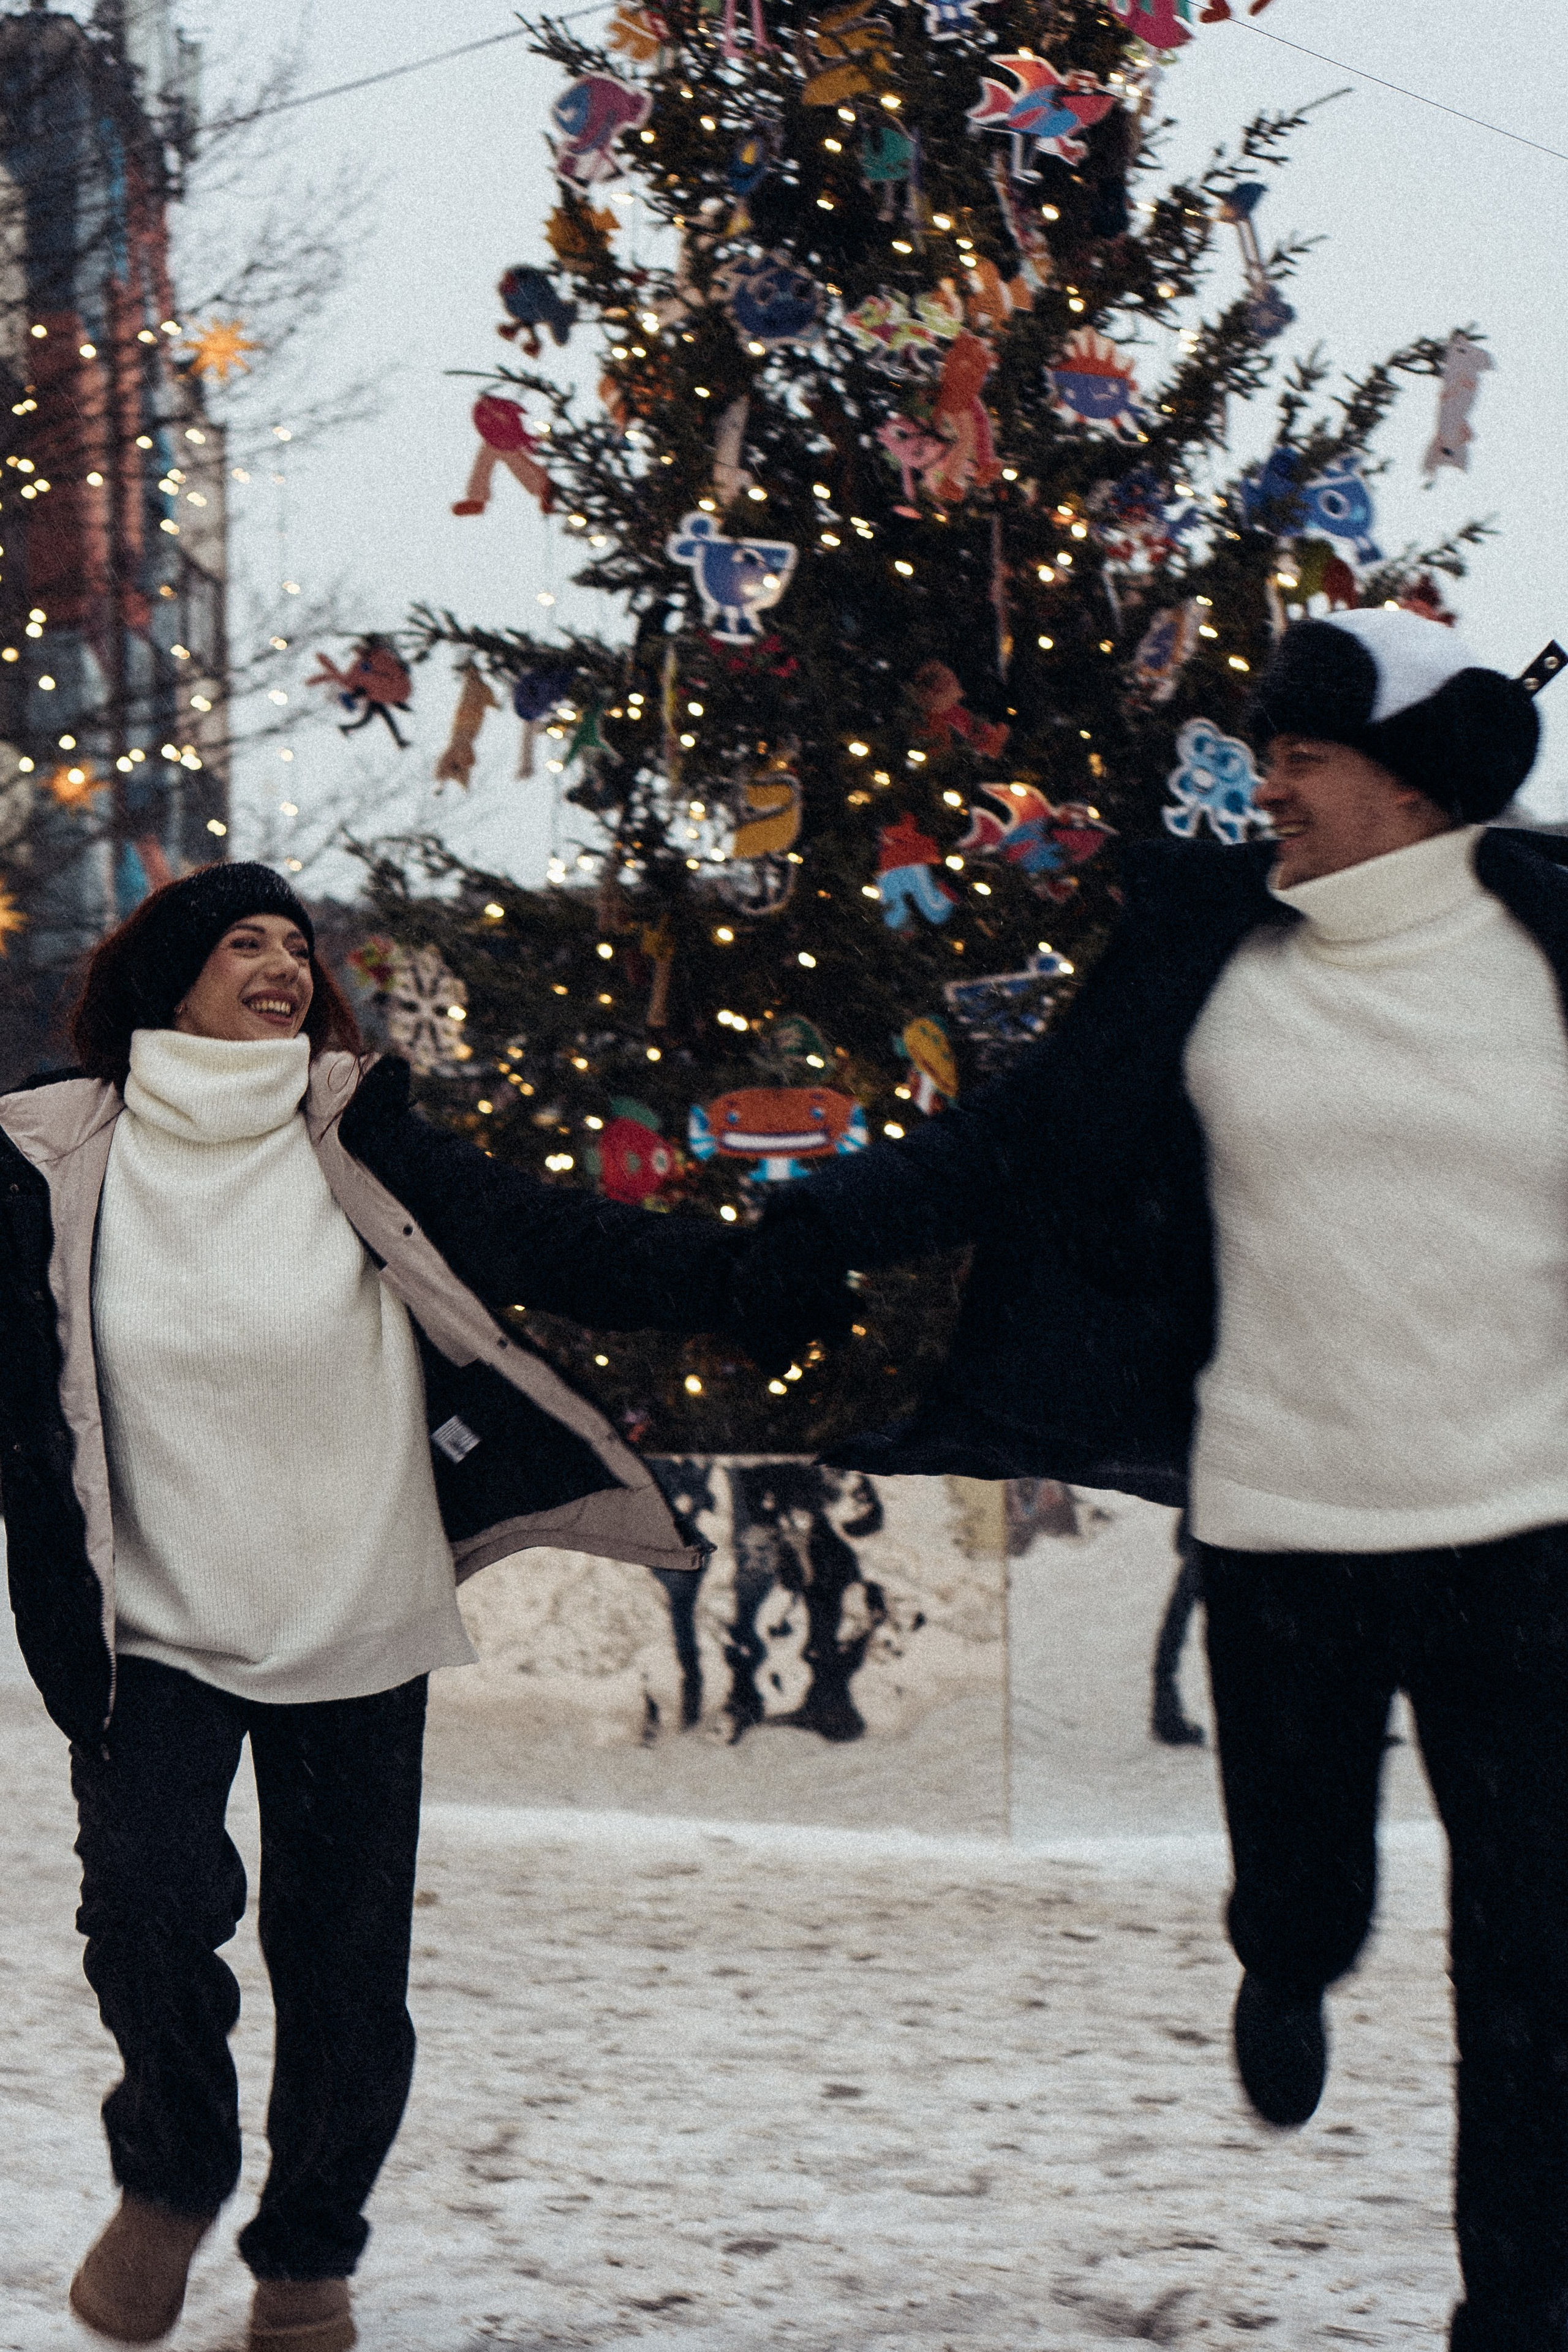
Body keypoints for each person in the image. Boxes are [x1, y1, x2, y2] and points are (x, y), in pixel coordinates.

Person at [739, 608, 1568, 2352]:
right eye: (1266, 756)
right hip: (1283, 1524)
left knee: (1536, 1962)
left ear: (1416, 791)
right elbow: (1020, 1144)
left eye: (1304, 760)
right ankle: (1286, 1950)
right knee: (1306, 1885)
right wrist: (804, 1229)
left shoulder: (1551, 943)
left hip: (1531, 1532)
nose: (1265, 787)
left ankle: (1522, 2308)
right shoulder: (1215, 959)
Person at [0, 864, 816, 2352]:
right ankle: (172, 2175)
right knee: (145, 1907)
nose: (281, 964)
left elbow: (559, 1243)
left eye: (296, 945)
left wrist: (752, 1273)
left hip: (357, 1611)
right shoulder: (52, 1157)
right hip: (152, 1628)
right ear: (166, 976)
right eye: (242, 942)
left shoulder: (361, 1138)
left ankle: (307, 2253)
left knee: (345, 1966)